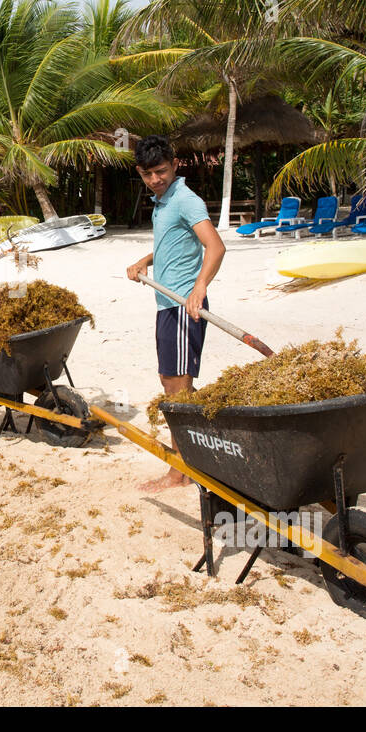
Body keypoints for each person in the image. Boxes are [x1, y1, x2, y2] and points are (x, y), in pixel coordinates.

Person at [125, 134, 226, 492]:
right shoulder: (162, 202)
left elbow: (215, 246)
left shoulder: (184, 199)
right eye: (148, 173)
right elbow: (170, 244)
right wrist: (144, 260)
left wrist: (199, 289)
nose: (155, 179)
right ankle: (197, 455)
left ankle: (181, 470)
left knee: (178, 388)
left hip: (185, 307)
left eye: (161, 171)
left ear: (175, 164)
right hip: (167, 305)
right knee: (170, 383)